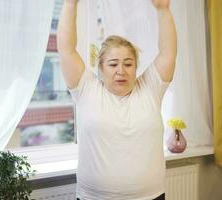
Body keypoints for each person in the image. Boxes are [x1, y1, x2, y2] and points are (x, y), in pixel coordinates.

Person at [57, 0, 177, 199]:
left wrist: (163, 10)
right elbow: (66, 50)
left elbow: (168, 54)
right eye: (113, 64)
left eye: (128, 64)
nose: (121, 71)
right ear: (101, 68)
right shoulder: (87, 88)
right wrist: (70, 3)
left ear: (136, 67)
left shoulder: (150, 88)